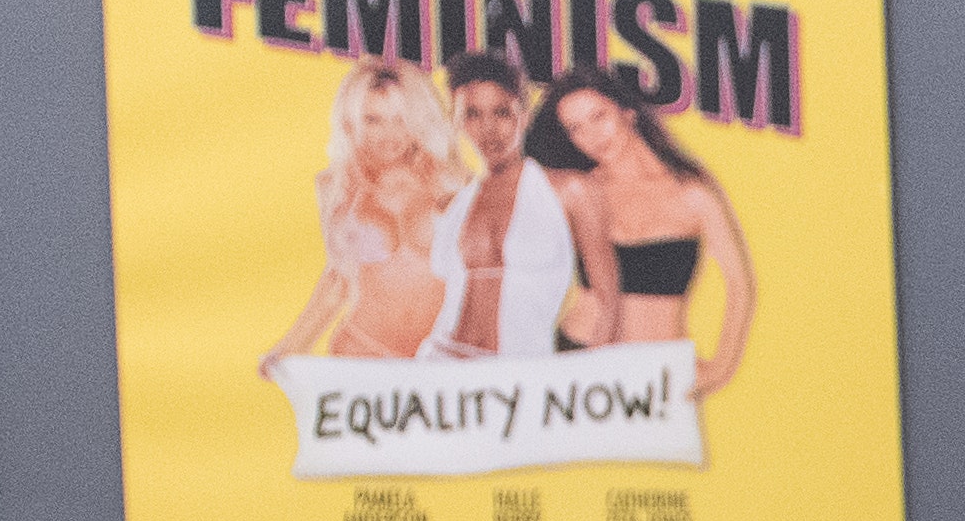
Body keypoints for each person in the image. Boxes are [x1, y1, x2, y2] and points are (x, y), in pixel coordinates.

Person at [538, 78, 757, 396]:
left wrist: (721, 369)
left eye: (599, 117)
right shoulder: (580, 191)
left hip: (659, 373)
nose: (592, 136)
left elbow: (740, 285)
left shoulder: (692, 193)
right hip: (578, 355)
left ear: (627, 113)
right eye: (576, 128)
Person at [260, 58, 463, 372]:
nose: (388, 134)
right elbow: (338, 279)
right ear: (351, 121)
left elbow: (485, 279)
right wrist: (288, 348)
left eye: (400, 119)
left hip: (442, 358)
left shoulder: (454, 184)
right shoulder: (335, 187)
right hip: (363, 352)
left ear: (420, 119)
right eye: (373, 119)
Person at [424, 53, 585, 363]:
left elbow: (604, 300)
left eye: (501, 112)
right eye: (472, 114)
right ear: (457, 122)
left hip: (518, 371)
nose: (488, 129)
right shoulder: (456, 206)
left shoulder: (565, 190)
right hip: (440, 363)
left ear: (522, 116)